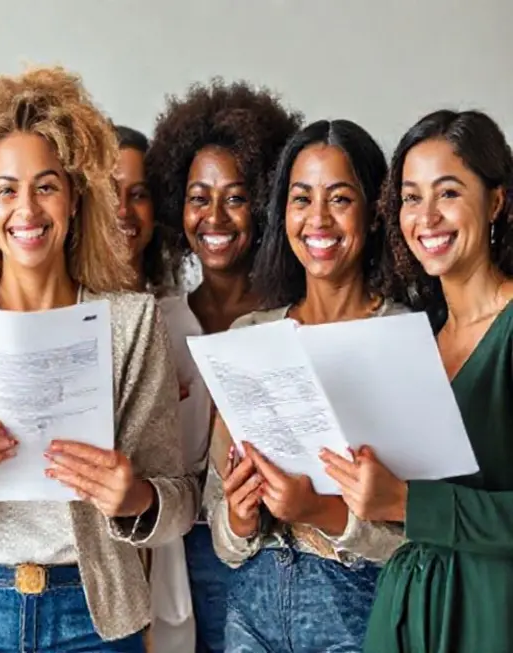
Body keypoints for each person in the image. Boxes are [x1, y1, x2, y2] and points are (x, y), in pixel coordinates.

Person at [0, 66, 197, 653]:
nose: (27, 209)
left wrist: (133, 497)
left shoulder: (131, 323)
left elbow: (179, 502)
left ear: (75, 198)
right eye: (7, 189)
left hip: (93, 613)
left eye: (46, 186)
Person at [207, 119, 407, 653]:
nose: (317, 219)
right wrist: (238, 518)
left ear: (374, 210)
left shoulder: (403, 335)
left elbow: (418, 532)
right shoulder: (247, 337)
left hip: (358, 605)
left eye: (339, 198)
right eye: (302, 199)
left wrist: (320, 510)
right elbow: (219, 525)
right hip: (251, 607)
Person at [319, 110, 513, 653]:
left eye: (448, 193)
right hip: (406, 609)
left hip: (491, 615)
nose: (426, 217)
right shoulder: (418, 338)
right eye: (410, 197)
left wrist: (409, 503)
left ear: (496, 202)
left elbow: (412, 501)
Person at [145, 79, 302, 653]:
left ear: (263, 203)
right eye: (198, 197)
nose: (214, 217)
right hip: (172, 557)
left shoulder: (291, 322)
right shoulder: (157, 323)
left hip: (271, 554)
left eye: (235, 198)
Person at [113, 124, 211, 653]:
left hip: (159, 555)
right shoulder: (57, 313)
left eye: (139, 194)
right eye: (109, 192)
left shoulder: (178, 322)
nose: (123, 210)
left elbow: (190, 470)